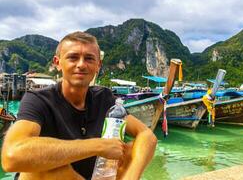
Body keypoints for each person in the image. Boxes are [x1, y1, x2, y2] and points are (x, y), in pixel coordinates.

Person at [1, 31, 157, 180]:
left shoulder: (104, 98)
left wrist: (131, 177)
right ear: (57, 63)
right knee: (50, 168)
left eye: (89, 59)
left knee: (130, 150)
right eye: (73, 57)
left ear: (98, 65)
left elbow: (146, 135)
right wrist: (98, 146)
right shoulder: (38, 100)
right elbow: (12, 156)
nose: (81, 65)